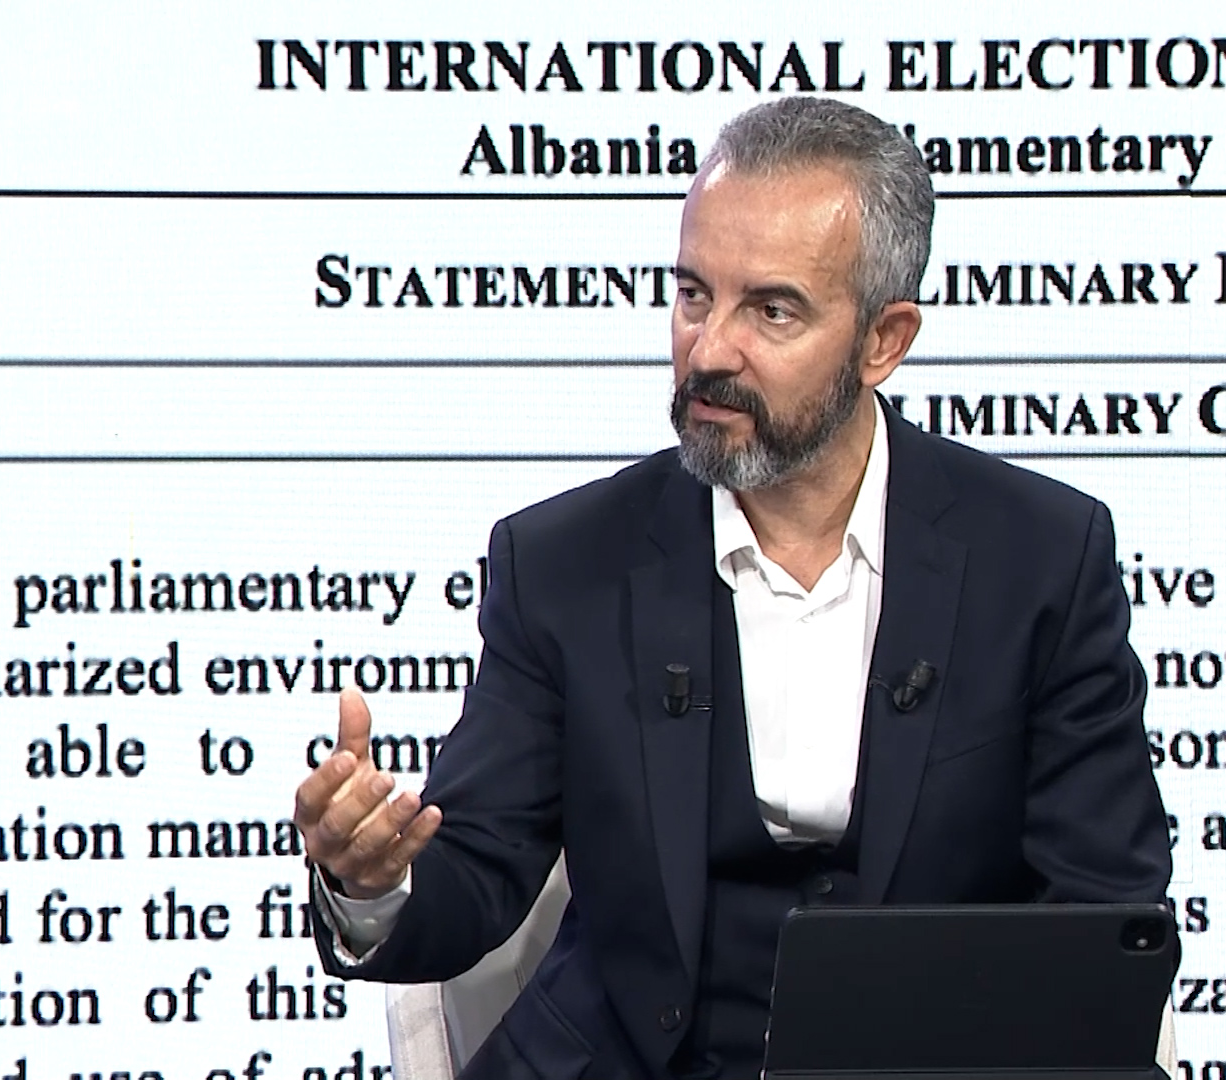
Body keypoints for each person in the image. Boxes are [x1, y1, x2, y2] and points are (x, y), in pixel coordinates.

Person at [294, 95, 1171, 1080]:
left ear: (884, 341)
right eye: (693, 295)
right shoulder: (564, 564)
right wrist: (372, 881)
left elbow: (1102, 901)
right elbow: (479, 873)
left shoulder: (1039, 558)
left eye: (772, 310)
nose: (709, 350)